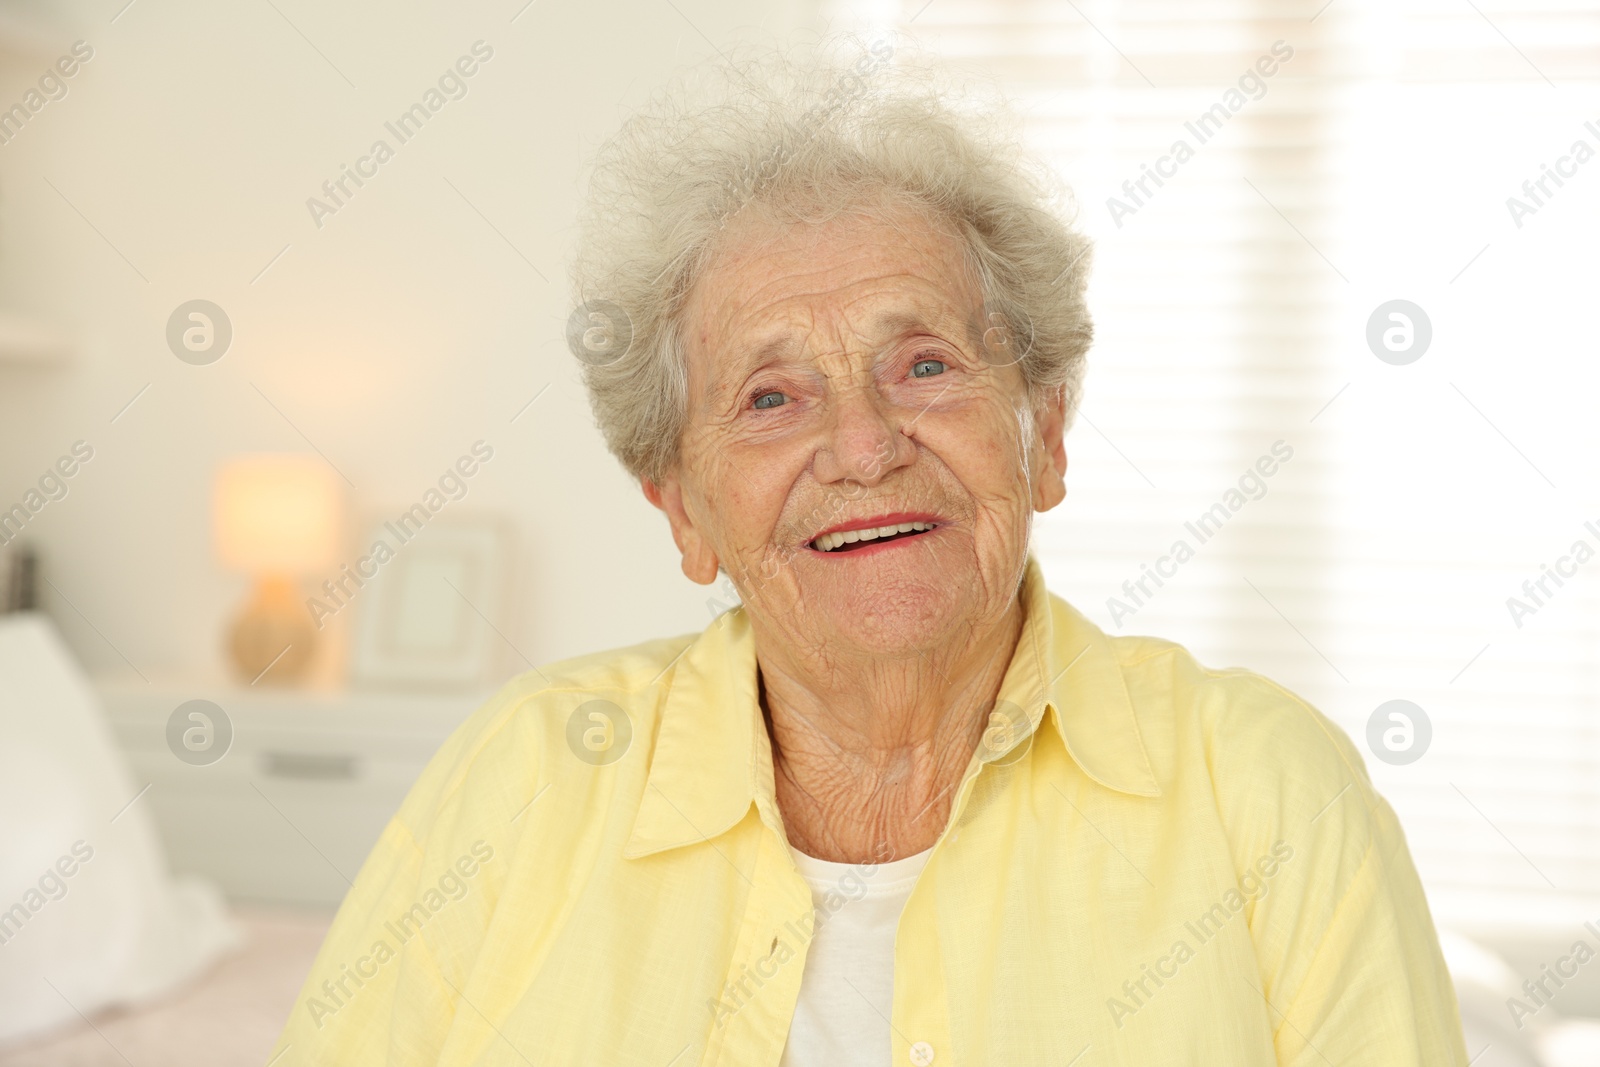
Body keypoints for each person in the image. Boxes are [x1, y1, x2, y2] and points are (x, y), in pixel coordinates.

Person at [271, 42, 1468, 1066]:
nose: (861, 443)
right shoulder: (524, 777)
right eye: (772, 395)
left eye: (925, 365)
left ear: (1042, 432)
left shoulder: (1265, 790)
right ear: (682, 507)